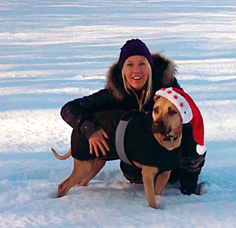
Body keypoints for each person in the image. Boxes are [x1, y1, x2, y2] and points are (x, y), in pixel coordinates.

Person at [60, 39, 206, 194]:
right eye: (130, 64)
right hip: (137, 163)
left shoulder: (166, 87)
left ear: (150, 67)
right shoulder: (113, 94)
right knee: (136, 175)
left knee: (190, 135)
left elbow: (189, 115)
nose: (136, 70)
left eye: (142, 64)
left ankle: (188, 190)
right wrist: (89, 129)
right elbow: (69, 109)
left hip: (171, 158)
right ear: (122, 69)